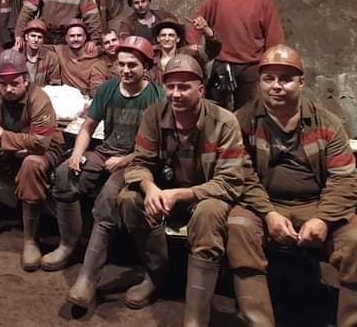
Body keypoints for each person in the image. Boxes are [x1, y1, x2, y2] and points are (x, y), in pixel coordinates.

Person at [226, 45, 357, 326]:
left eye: (285, 79)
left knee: (355, 240)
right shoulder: (242, 121)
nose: (276, 86)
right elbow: (242, 175)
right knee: (239, 227)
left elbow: (344, 179)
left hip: (317, 204)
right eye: (268, 79)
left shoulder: (328, 124)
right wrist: (268, 213)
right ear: (260, 82)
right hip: (264, 204)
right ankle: (259, 322)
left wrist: (323, 218)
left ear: (301, 82)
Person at [118, 54, 245, 326]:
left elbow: (230, 181)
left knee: (209, 213)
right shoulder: (154, 114)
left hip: (206, 196)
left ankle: (196, 312)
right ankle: (156, 274)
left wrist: (181, 194)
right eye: (170, 86)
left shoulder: (224, 123)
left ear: (201, 89)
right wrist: (150, 188)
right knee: (129, 198)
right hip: (165, 194)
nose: (175, 94)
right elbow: (140, 162)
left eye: (184, 87)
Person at [43, 36, 163, 274]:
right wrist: (77, 154)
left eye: (132, 65)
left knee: (108, 197)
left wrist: (125, 160)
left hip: (137, 159)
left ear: (146, 66)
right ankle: (68, 245)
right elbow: (88, 126)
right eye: (121, 64)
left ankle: (90, 272)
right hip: (107, 150)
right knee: (64, 174)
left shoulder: (157, 98)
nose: (125, 70)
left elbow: (157, 147)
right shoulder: (108, 89)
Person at [0, 50, 65, 271]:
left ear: (26, 80)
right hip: (7, 150)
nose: (8, 89)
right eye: (3, 83)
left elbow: (40, 143)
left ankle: (30, 240)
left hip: (44, 150)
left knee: (31, 164)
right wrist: (5, 148)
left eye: (14, 83)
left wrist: (3, 136)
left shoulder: (39, 99)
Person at [186, 0, 284, 110]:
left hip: (251, 65)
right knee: (216, 109)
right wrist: (193, 44)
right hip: (222, 62)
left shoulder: (262, 0)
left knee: (249, 110)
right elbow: (197, 21)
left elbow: (274, 33)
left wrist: (273, 62)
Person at [150, 19, 220, 86]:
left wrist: (208, 32)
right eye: (163, 35)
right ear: (158, 38)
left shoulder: (188, 55)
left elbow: (209, 53)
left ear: (178, 39)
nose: (167, 39)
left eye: (171, 35)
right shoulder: (150, 60)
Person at [50, 19, 102, 96]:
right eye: (72, 36)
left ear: (85, 37)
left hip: (87, 97)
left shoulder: (94, 53)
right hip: (65, 96)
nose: (76, 39)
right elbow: (41, 47)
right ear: (66, 38)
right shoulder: (60, 50)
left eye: (79, 35)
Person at [20, 18, 61, 87]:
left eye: (39, 37)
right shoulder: (17, 56)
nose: (36, 40)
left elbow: (55, 85)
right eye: (33, 36)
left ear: (43, 40)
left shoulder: (51, 58)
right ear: (26, 37)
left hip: (42, 92)